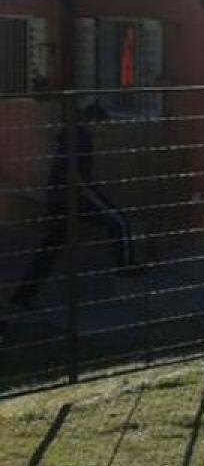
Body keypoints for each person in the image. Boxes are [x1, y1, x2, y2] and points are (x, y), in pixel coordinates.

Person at [7, 102, 135, 314]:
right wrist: (100, 202)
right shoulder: (80, 139)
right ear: (92, 122)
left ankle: (22, 296)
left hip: (58, 199)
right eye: (103, 125)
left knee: (48, 251)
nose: (103, 130)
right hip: (70, 199)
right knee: (118, 220)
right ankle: (126, 268)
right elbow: (79, 179)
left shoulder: (73, 135)